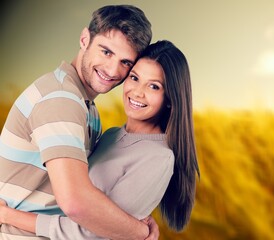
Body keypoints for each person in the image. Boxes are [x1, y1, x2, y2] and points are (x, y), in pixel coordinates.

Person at [0, 40, 200, 239]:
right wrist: (137, 227)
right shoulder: (111, 135)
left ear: (170, 99)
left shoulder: (157, 157)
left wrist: (9, 216)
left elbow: (90, 233)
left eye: (154, 87)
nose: (137, 92)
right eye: (134, 78)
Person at [0, 5, 159, 240]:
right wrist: (138, 232)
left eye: (125, 62)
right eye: (106, 52)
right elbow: (75, 202)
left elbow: (92, 191)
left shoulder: (86, 107)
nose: (112, 70)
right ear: (85, 39)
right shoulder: (61, 99)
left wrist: (135, 219)